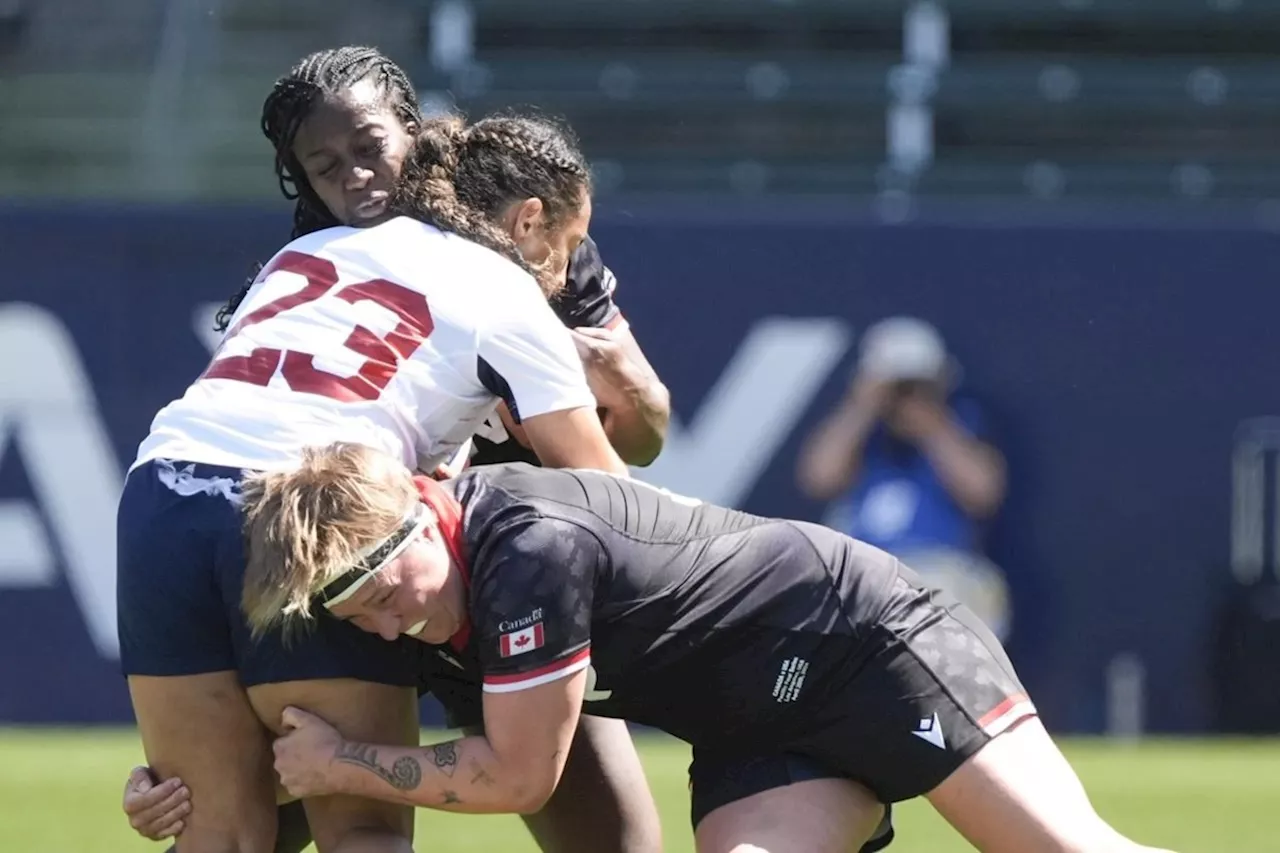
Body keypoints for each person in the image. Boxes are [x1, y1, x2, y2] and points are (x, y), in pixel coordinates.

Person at [116, 46, 664, 853]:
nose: (356, 177)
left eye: (369, 148)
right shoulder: (501, 278)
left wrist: (194, 767)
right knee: (363, 827)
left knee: (219, 834)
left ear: (414, 133)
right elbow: (609, 498)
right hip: (330, 513)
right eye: (328, 163)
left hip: (162, 495)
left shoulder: (294, 259)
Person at [239, 442, 1176, 853]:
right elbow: (277, 749)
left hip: (868, 644)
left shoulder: (525, 548)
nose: (387, 622)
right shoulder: (419, 591)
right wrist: (177, 784)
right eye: (354, 611)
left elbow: (517, 776)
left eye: (386, 590)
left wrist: (345, 764)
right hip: (755, 732)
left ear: (421, 514)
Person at [797, 316, 1013, 639]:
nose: (903, 398)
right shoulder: (862, 437)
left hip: (942, 575)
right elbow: (818, 478)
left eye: (915, 386)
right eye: (896, 388)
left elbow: (984, 493)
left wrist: (933, 426)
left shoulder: (963, 425)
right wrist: (863, 407)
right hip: (864, 576)